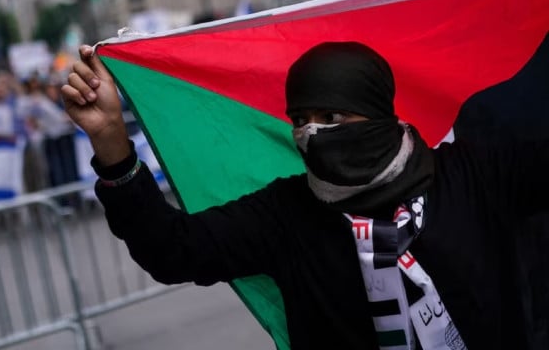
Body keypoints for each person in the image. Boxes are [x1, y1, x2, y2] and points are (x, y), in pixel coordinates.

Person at [61, 42, 549, 349]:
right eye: (300, 120)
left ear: (376, 113)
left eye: (333, 119)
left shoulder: (473, 175)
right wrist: (111, 142)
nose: (313, 134)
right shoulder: (287, 215)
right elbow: (172, 250)